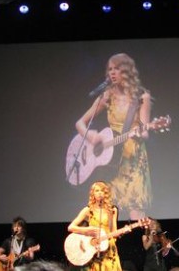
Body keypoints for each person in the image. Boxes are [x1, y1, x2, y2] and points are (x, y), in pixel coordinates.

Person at [74, 53, 153, 220]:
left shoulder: (141, 97)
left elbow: (145, 131)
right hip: (110, 159)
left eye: (117, 68)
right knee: (104, 213)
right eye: (110, 69)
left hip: (133, 159)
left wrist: (139, 133)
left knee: (135, 210)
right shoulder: (107, 96)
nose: (112, 72)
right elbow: (80, 123)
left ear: (127, 71)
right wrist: (91, 137)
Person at [67, 181, 123, 271]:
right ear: (93, 194)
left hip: (109, 248)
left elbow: (114, 232)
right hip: (94, 248)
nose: (100, 193)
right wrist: (86, 230)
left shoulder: (112, 210)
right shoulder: (88, 210)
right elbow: (71, 227)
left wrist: (122, 232)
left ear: (105, 193)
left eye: (102, 190)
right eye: (97, 191)